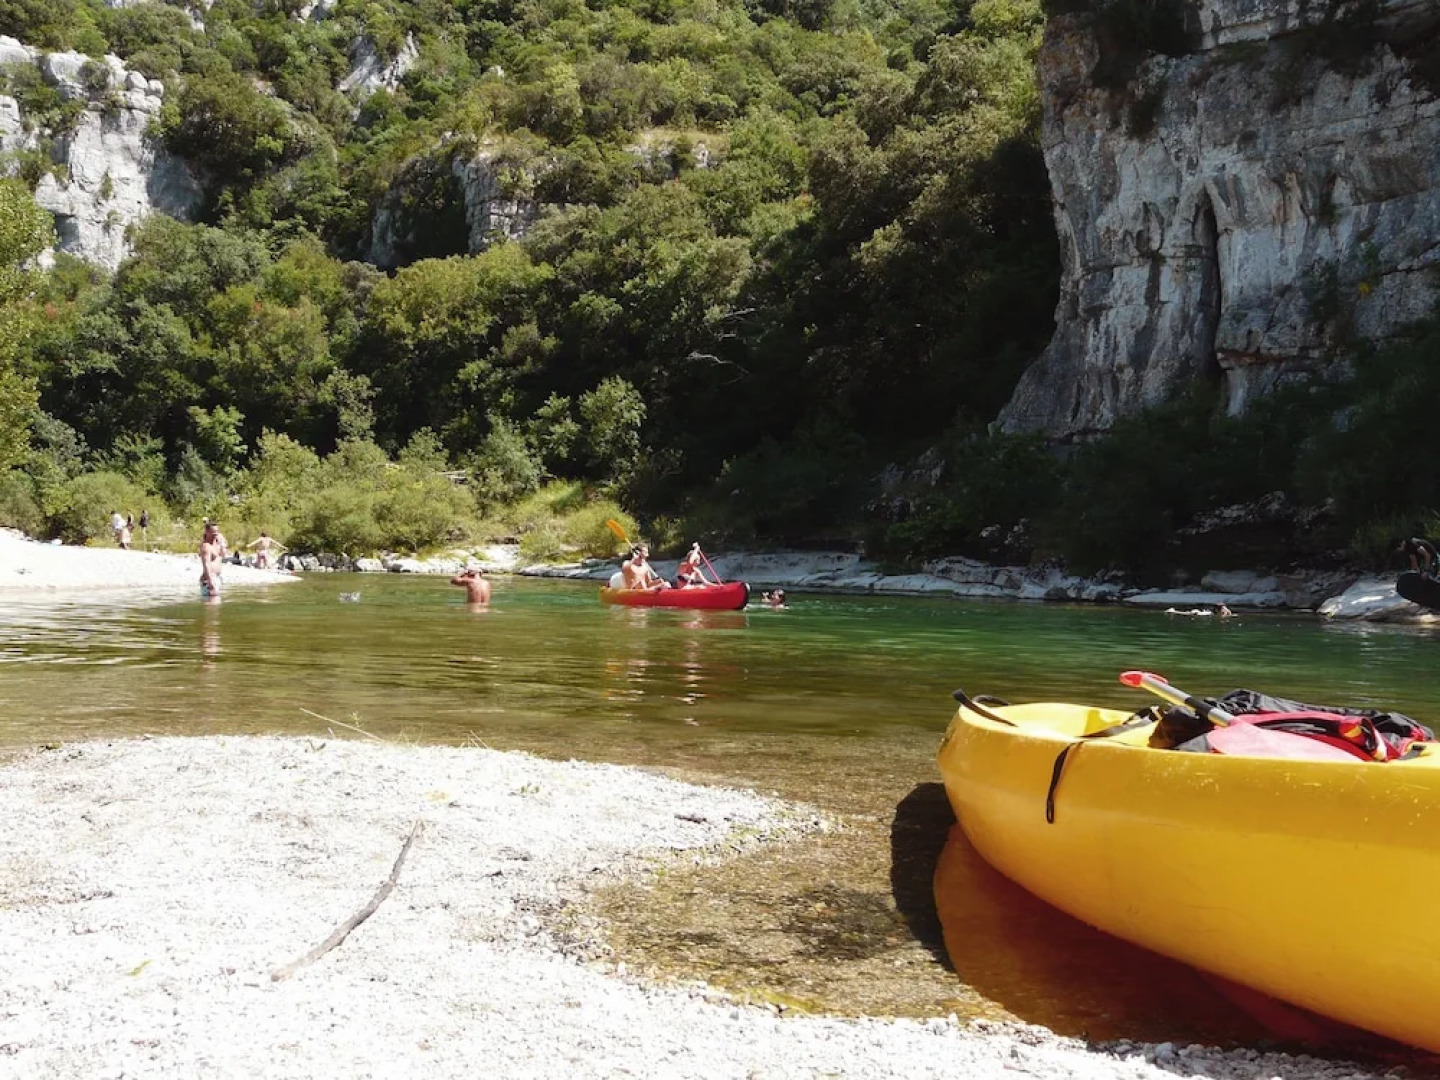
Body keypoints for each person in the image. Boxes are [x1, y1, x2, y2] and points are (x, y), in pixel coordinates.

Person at [199, 520, 225, 599]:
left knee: (215, 607)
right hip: (209, 580)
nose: (215, 534)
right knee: (212, 607)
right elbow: (206, 564)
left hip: (217, 578)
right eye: (213, 532)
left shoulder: (217, 544)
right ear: (207, 532)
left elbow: (223, 555)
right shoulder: (206, 547)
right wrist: (211, 582)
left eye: (217, 531)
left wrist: (222, 544)